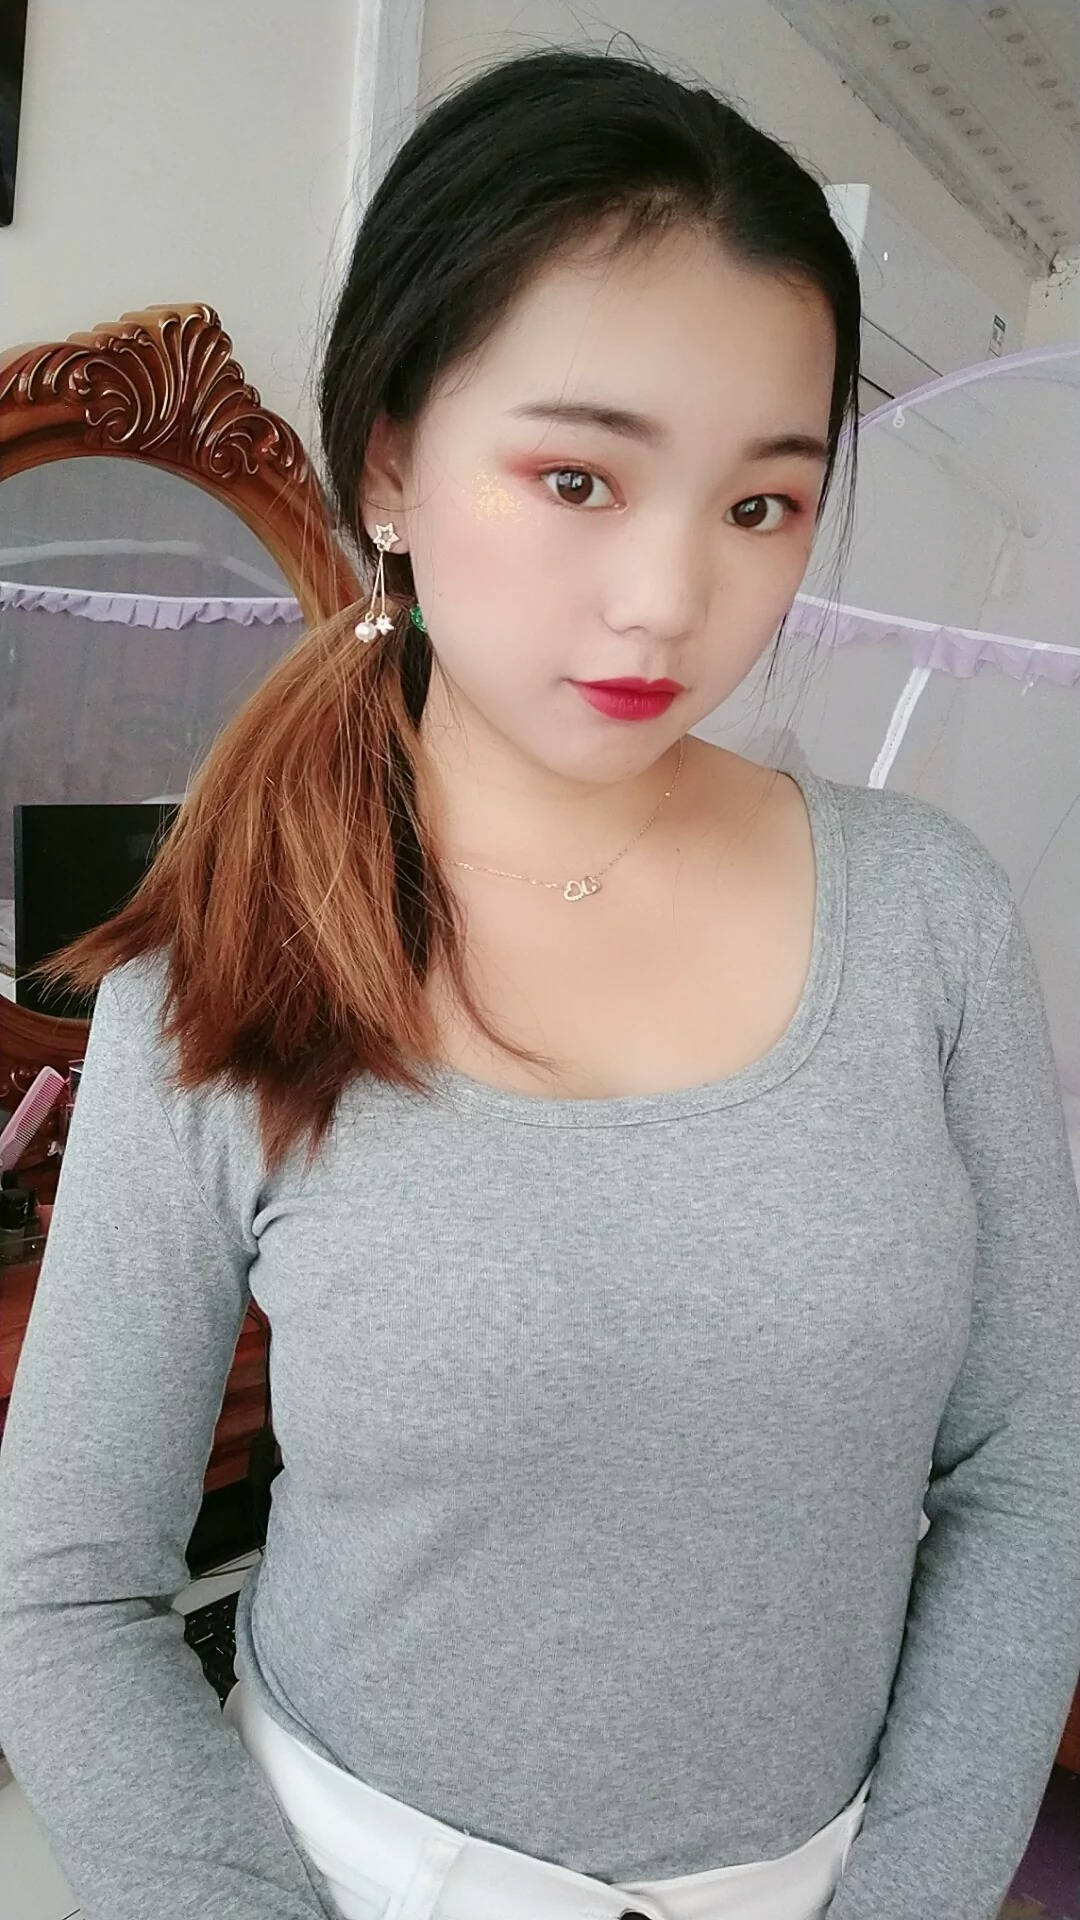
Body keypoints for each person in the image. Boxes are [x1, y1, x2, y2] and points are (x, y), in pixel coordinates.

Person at [1, 42, 1078, 1920]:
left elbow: (1030, 1480)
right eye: (578, 476)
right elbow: (65, 1590)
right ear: (393, 464)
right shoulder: (230, 962)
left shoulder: (931, 920)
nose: (670, 598)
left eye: (761, 505)